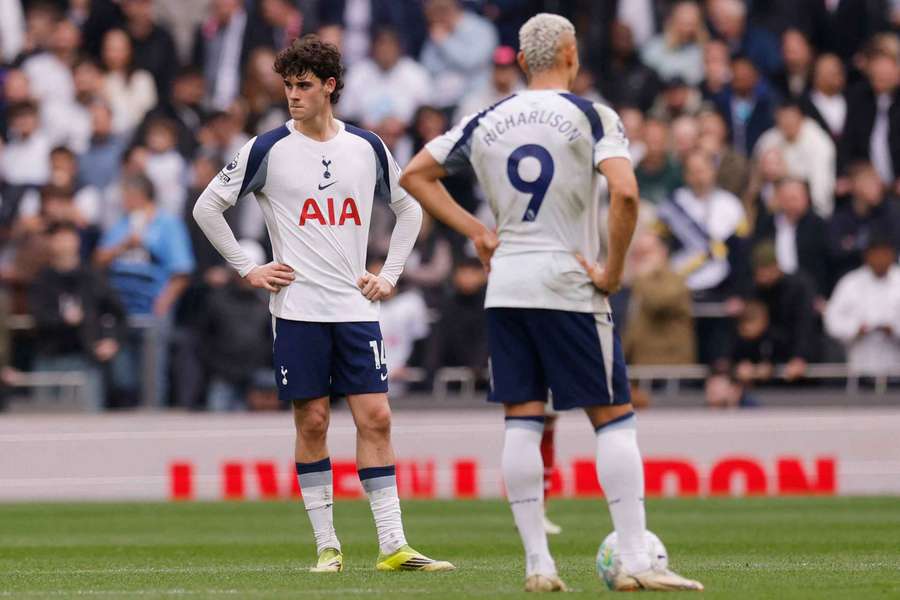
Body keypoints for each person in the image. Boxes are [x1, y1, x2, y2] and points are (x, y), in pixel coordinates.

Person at [401, 13, 703, 593]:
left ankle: (539, 564)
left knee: (521, 417)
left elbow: (416, 173)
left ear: (519, 60)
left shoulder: (487, 118)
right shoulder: (592, 115)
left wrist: (478, 232)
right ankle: (637, 558)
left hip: (507, 285)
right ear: (572, 53)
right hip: (568, 284)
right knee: (612, 416)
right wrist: (612, 271)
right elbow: (627, 192)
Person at [192, 34, 452, 573]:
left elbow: (410, 210)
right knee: (312, 422)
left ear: (329, 86)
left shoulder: (367, 146)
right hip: (298, 311)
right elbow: (206, 207)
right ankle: (327, 546)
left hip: (356, 308)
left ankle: (393, 545)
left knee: (376, 417)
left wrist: (390, 274)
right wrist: (248, 267)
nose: (293, 95)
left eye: (303, 85)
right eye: (287, 85)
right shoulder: (266, 149)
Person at [825, 232, 900, 375]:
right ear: (866, 256)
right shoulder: (850, 283)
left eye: (884, 254)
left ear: (892, 255)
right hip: (859, 370)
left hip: (896, 370)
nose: (880, 259)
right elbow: (832, 320)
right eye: (875, 254)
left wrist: (894, 329)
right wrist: (855, 329)